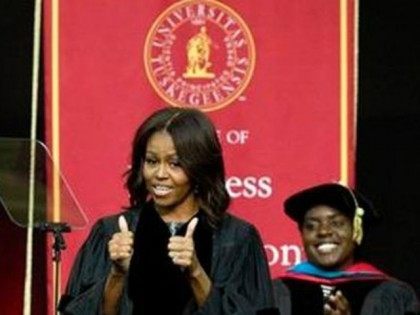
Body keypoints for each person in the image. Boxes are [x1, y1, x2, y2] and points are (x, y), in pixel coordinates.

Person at [58, 107, 275, 314]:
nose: (160, 174)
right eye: (152, 161)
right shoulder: (111, 232)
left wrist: (196, 272)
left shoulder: (237, 239)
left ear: (200, 168)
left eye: (175, 164)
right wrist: (117, 274)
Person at [272, 182, 420, 315]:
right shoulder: (274, 294)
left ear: (355, 230)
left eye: (336, 223)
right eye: (311, 226)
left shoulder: (393, 295)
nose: (323, 231)